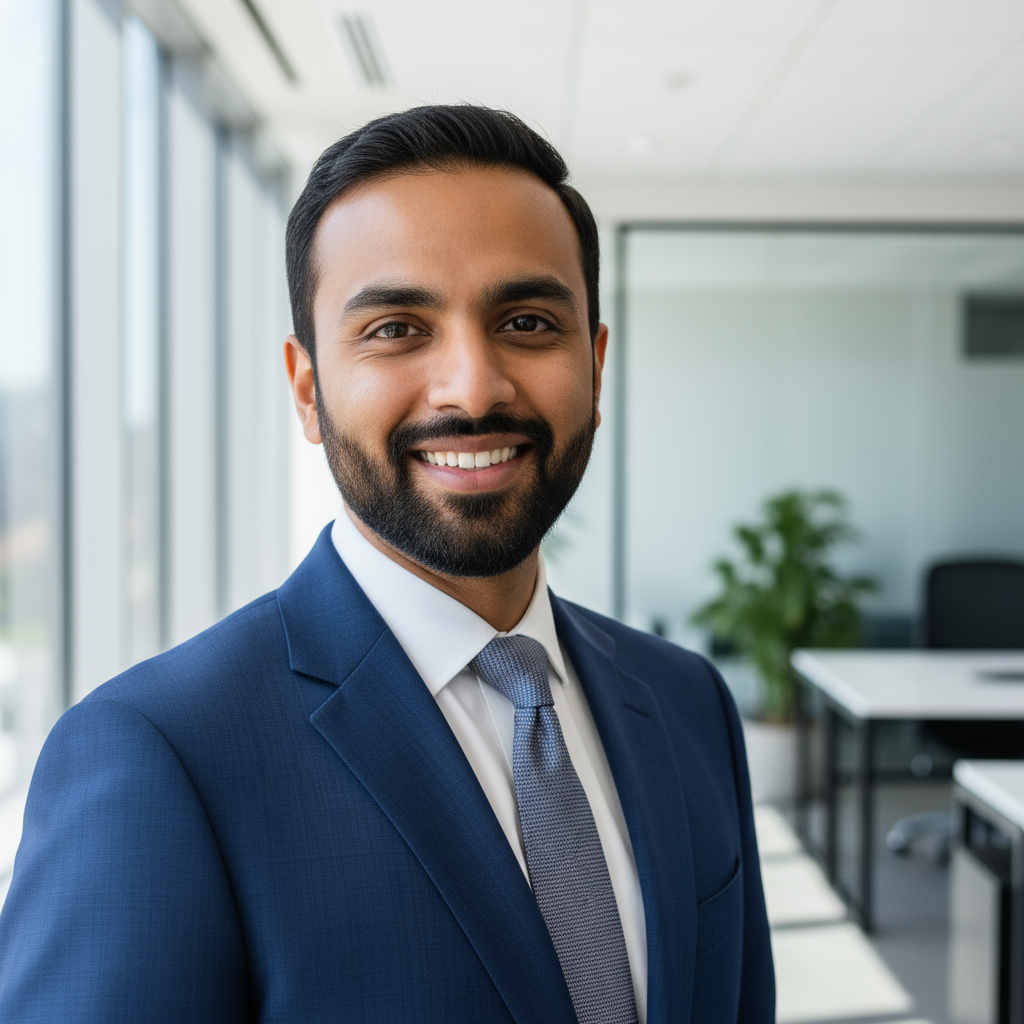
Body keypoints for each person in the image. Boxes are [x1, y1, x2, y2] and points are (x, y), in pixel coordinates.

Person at [0, 105, 773, 1022]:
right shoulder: (159, 753)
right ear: (308, 390)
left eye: (527, 321)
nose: (474, 386)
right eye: (398, 329)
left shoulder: (688, 704)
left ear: (596, 370)